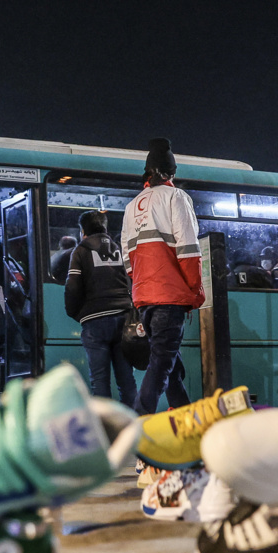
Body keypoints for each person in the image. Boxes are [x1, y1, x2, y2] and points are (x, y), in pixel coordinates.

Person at [121, 138, 205, 415]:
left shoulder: (132, 206)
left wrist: (141, 288)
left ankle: (186, 420)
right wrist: (194, 291)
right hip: (169, 296)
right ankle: (140, 421)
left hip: (144, 298)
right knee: (161, 363)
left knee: (171, 363)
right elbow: (189, 249)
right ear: (171, 173)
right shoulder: (176, 197)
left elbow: (127, 257)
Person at [65, 211, 137, 408]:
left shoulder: (80, 251)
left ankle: (107, 430)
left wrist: (75, 313)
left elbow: (72, 287)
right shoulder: (119, 249)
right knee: (126, 379)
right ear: (105, 228)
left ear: (83, 231)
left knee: (100, 381)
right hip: (123, 319)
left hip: (95, 322)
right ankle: (135, 425)